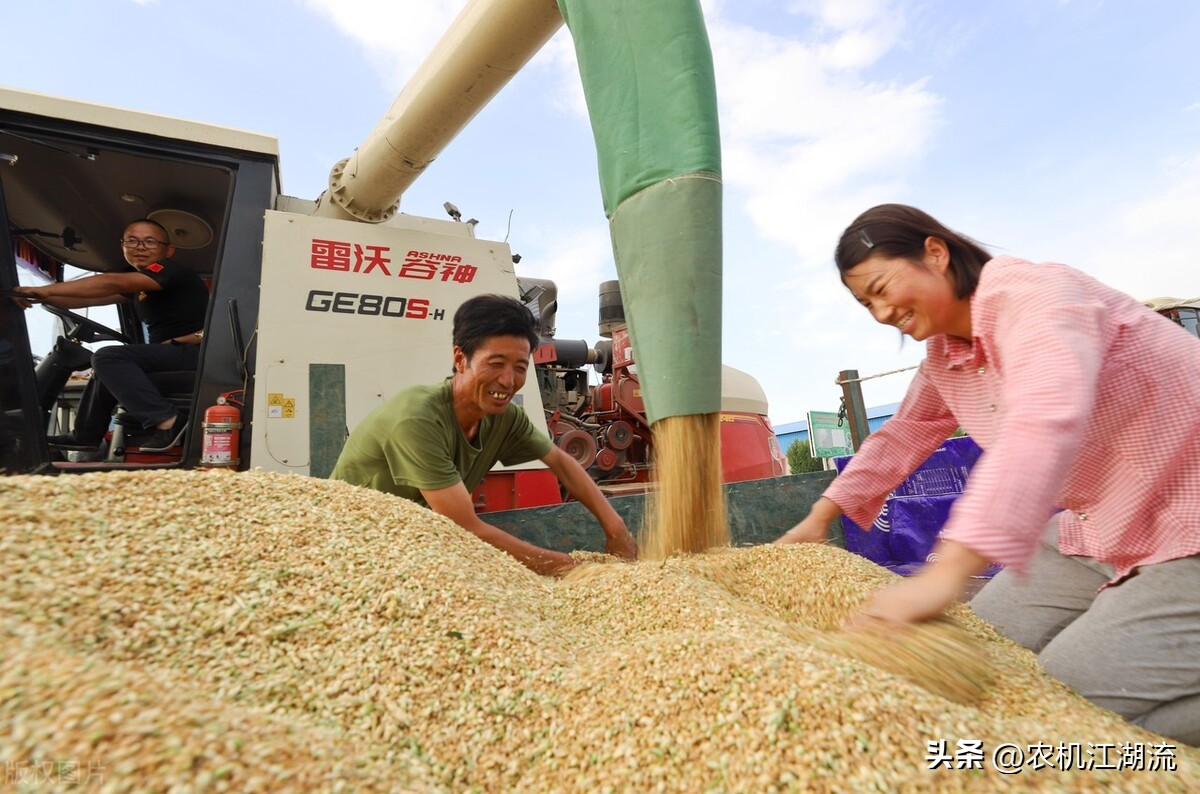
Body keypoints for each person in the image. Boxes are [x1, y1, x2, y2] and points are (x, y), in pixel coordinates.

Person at [776, 203, 1200, 744]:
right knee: (984, 646)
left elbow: (1044, 416)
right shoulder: (945, 356)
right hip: (1106, 529)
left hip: (1189, 522)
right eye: (866, 304)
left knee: (1069, 704)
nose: (881, 312)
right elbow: (903, 434)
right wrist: (822, 515)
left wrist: (947, 572)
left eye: (882, 287)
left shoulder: (1033, 295)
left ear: (935, 252)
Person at [331, 293, 638, 576]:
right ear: (460, 358)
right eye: (495, 364)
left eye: (519, 367)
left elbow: (561, 462)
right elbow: (466, 527)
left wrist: (616, 529)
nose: (508, 380)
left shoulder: (504, 417)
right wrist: (577, 570)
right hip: (349, 547)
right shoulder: (417, 418)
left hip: (409, 546)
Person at [11, 218, 208, 452]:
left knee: (108, 357)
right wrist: (40, 297)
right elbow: (89, 299)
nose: (140, 247)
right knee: (105, 367)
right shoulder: (142, 286)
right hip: (170, 355)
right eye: (132, 241)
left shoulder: (169, 271)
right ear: (122, 245)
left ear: (169, 250)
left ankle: (169, 421)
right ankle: (86, 436)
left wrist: (43, 289)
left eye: (150, 242)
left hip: (195, 355)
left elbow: (111, 282)